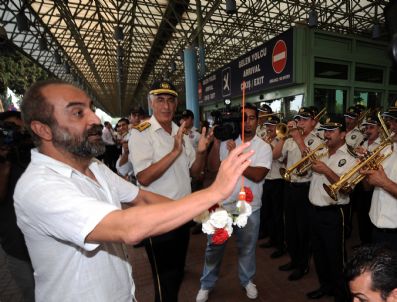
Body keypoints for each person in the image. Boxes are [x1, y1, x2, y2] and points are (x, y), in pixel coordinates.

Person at [13, 79, 254, 302]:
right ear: (43, 129)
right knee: (166, 283)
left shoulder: (94, 167)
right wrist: (214, 193)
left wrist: (205, 210)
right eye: (78, 113)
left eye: (91, 109)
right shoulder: (39, 188)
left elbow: (141, 196)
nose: (96, 120)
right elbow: (129, 226)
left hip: (124, 290)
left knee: (176, 275)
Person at [129, 80, 213, 302]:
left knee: (176, 274)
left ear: (176, 104)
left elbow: (195, 173)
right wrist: (175, 151)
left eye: (170, 100)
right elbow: (144, 177)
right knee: (163, 281)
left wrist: (202, 152)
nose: (166, 106)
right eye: (160, 100)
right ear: (151, 103)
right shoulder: (141, 133)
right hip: (157, 218)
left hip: (182, 216)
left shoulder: (181, 133)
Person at [196, 103, 272, 302]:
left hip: (250, 208)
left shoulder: (263, 147)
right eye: (243, 117)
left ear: (258, 121)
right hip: (222, 205)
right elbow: (213, 168)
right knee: (213, 247)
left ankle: (247, 281)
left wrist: (234, 156)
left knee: (246, 247)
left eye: (252, 117)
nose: (246, 122)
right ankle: (206, 284)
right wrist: (216, 143)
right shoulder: (227, 141)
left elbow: (257, 175)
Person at [306, 116, 357, 301]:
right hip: (314, 210)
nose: (326, 135)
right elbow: (304, 172)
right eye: (325, 131)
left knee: (335, 257)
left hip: (334, 213)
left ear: (343, 134)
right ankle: (325, 286)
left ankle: (341, 295)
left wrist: (326, 170)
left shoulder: (351, 157)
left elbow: (347, 189)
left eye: (331, 131)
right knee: (319, 253)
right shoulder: (321, 151)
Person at [273, 107, 324, 281]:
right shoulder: (290, 138)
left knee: (303, 230)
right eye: (298, 119)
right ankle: (294, 260)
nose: (300, 122)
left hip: (305, 188)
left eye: (304, 119)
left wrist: (299, 140)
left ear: (313, 122)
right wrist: (283, 137)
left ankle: (303, 265)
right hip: (289, 185)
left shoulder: (317, 141)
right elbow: (275, 155)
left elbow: (312, 162)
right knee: (290, 228)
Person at [0, 111, 35, 302]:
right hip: (18, 249)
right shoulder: (3, 160)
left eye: (17, 128)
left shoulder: (38, 153)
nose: (12, 134)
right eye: (7, 130)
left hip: (51, 243)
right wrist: (4, 165)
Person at [361, 104, 397, 251]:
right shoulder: (385, 149)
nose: (392, 126)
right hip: (376, 226)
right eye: (392, 121)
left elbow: (382, 183)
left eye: (396, 122)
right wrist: (364, 172)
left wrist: (384, 183)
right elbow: (367, 187)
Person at [258, 115, 286, 259]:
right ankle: (272, 239)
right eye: (267, 125)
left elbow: (276, 156)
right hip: (267, 179)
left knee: (277, 215)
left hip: (278, 180)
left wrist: (266, 145)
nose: (268, 128)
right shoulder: (266, 139)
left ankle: (281, 245)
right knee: (267, 211)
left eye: (271, 126)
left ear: (278, 127)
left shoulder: (281, 140)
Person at [354, 115, 383, 245]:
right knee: (361, 215)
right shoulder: (363, 142)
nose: (368, 130)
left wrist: (365, 154)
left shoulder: (382, 144)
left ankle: (370, 245)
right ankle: (363, 242)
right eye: (366, 127)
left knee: (369, 215)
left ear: (380, 130)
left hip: (373, 185)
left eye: (372, 127)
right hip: (360, 182)